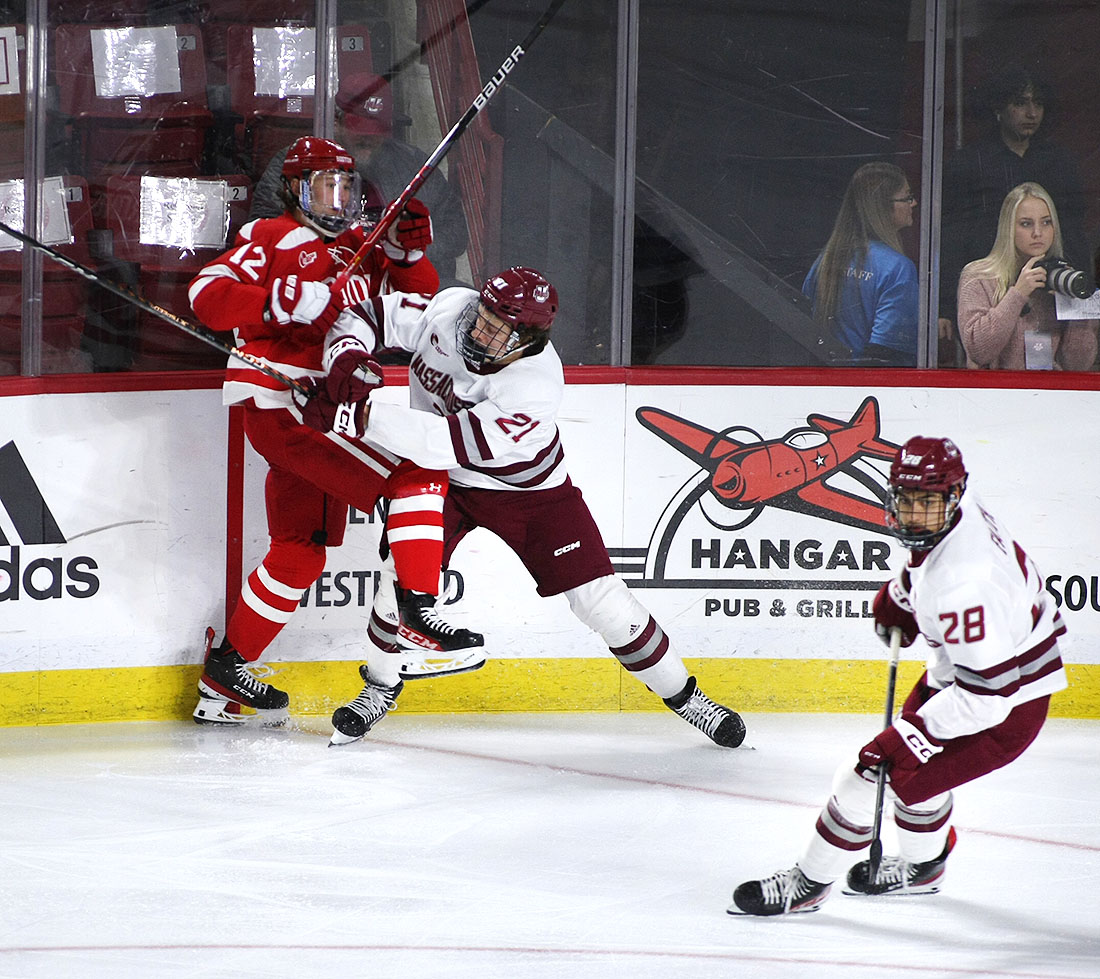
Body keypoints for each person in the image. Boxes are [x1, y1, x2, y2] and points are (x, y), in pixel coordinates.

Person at [295, 266, 746, 748]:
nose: (480, 331)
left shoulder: (534, 384)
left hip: (528, 493)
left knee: (601, 601)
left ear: (527, 339)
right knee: (397, 575)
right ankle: (380, 688)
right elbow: (367, 314)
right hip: (441, 481)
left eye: (497, 328)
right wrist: (346, 360)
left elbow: (446, 442)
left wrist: (355, 414)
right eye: (482, 316)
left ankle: (687, 697)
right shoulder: (451, 310)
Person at [187, 135, 481, 726]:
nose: (341, 195)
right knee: (417, 470)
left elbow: (416, 313)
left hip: (324, 407)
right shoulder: (272, 237)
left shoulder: (356, 246)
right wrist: (280, 301)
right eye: (327, 184)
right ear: (296, 190)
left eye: (347, 184)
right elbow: (206, 297)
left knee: (299, 552)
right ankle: (416, 613)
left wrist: (404, 256)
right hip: (286, 405)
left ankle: (224, 677)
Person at [728, 436, 1068, 916]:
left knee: (865, 775)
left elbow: (989, 697)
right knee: (914, 779)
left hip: (1003, 708)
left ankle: (807, 883)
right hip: (968, 673)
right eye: (905, 501)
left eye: (926, 503)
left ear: (951, 495)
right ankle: (924, 869)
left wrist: (913, 737)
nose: (914, 516)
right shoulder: (959, 506)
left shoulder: (964, 587)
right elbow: (930, 560)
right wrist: (904, 592)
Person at [250, 73, 470, 287]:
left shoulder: (415, 167)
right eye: (360, 128)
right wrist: (330, 252)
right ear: (336, 121)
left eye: (377, 130)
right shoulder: (296, 162)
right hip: (322, 285)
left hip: (395, 287)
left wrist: (404, 247)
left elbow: (456, 233)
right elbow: (263, 228)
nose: (368, 138)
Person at [939, 67, 1092, 364]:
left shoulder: (1058, 162)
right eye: (1020, 103)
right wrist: (944, 306)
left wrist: (1080, 292)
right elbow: (952, 238)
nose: (1031, 113)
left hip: (1050, 285)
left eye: (1038, 103)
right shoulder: (972, 161)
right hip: (992, 286)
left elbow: (1074, 231)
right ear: (999, 107)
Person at [957, 182, 1097, 371]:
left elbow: (1078, 366)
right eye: (1026, 224)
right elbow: (979, 351)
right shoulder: (979, 276)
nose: (1038, 233)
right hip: (994, 395)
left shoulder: (1061, 280)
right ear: (1009, 228)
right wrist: (1018, 293)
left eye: (1046, 222)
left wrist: (1077, 310)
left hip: (1049, 394)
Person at [802, 162, 919, 366]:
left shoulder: (827, 258)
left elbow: (804, 319)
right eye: (907, 197)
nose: (914, 203)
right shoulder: (898, 268)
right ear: (883, 207)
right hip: (872, 390)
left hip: (826, 381)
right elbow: (884, 353)